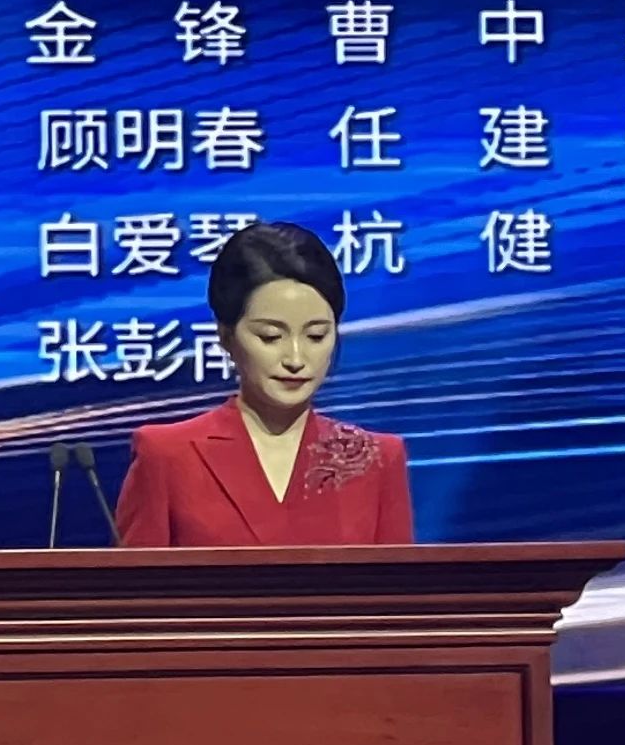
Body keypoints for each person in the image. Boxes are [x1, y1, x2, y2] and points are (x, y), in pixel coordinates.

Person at [111, 222, 415, 545]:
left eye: (316, 336)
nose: (295, 358)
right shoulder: (167, 456)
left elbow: (397, 577)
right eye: (270, 336)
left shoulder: (377, 459)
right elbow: (140, 577)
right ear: (226, 336)